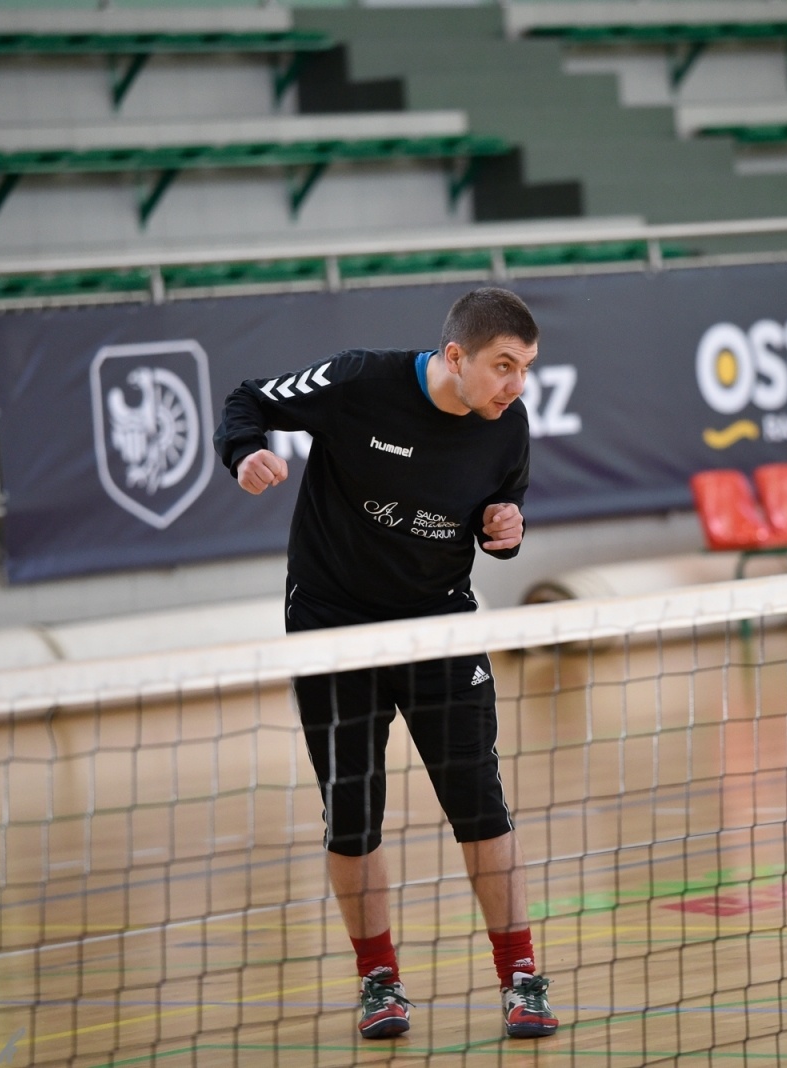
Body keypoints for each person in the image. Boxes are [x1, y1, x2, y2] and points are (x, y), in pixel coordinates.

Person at [212, 287, 557, 1042]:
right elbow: (248, 398)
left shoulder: (507, 425)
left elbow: (497, 516)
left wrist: (505, 529)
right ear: (456, 356)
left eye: (527, 368)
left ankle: (521, 976)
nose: (517, 385)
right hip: (333, 625)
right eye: (504, 365)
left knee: (481, 804)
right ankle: (379, 980)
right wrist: (245, 454)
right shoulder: (360, 381)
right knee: (353, 814)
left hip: (437, 622)